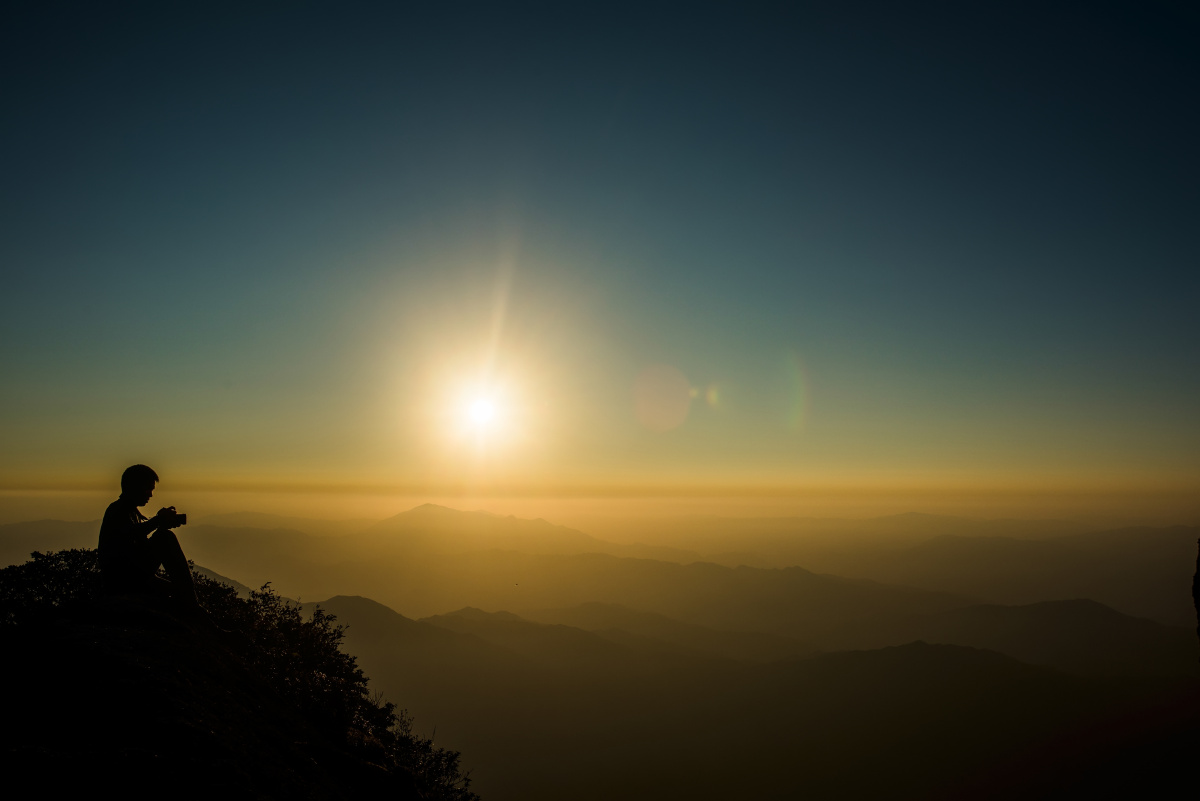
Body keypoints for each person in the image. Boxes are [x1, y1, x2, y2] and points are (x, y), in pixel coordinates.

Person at [98, 464, 202, 612]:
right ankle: (195, 610)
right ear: (134, 487)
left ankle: (194, 608)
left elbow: (137, 543)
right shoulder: (117, 510)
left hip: (130, 577)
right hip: (121, 581)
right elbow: (131, 536)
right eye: (148, 489)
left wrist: (159, 523)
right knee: (165, 538)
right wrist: (158, 521)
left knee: (180, 592)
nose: (150, 494)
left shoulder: (131, 512)